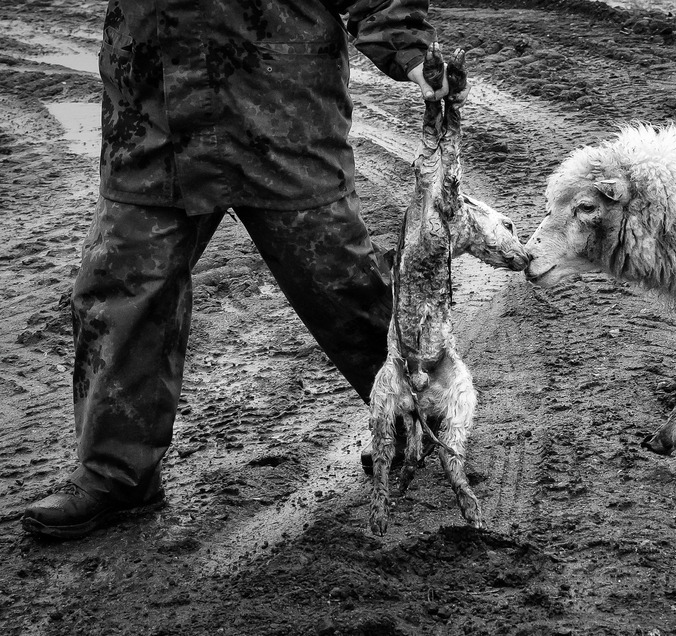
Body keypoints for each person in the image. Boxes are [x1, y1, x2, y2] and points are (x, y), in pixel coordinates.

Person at [23, 0, 457, 539]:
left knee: (340, 281)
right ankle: (116, 474)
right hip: (153, 107)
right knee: (122, 287)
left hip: (278, 102)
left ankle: (427, 422)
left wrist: (408, 46)